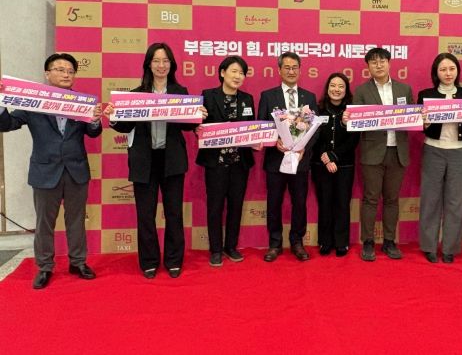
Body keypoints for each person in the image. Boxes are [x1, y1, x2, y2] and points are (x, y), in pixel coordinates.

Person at [0, 53, 102, 289]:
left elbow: (93, 133)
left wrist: (95, 120)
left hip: (76, 170)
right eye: (60, 70)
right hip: (45, 171)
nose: (66, 74)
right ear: (47, 74)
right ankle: (45, 267)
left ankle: (78, 262)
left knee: (76, 220)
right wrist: (2, 102)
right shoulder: (33, 101)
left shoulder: (82, 102)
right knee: (44, 223)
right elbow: (7, 124)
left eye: (70, 71)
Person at [105, 42, 205, 279]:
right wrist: (113, 116)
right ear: (149, 64)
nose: (161, 65)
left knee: (174, 213)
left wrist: (198, 116)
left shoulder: (180, 93)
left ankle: (173, 260)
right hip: (144, 161)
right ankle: (149, 261)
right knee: (145, 214)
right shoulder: (135, 95)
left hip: (172, 160)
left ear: (172, 65)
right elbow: (124, 126)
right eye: (156, 61)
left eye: (165, 61)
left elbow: (187, 125)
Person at [350, 47, 413, 261]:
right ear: (368, 66)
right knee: (370, 199)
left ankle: (389, 241)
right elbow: (357, 123)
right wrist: (350, 119)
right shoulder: (361, 91)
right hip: (372, 152)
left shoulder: (404, 89)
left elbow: (411, 119)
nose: (378, 65)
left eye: (382, 61)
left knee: (392, 199)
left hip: (398, 151)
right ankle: (368, 241)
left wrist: (420, 117)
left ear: (389, 63)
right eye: (374, 62)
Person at [258, 52, 318, 262]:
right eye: (287, 67)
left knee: (299, 202)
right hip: (276, 160)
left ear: (300, 70)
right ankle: (275, 243)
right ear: (279, 70)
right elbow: (262, 125)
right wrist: (275, 141)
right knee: (274, 202)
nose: (291, 71)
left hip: (300, 161)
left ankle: (297, 241)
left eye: (295, 67)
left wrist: (303, 148)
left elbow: (315, 129)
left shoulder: (309, 97)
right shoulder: (268, 96)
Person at [196, 56, 255, 266]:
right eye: (234, 71)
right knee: (215, 206)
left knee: (236, 206)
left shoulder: (247, 99)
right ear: (222, 73)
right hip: (216, 162)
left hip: (240, 162)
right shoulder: (207, 96)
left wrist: (257, 140)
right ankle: (215, 249)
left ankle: (231, 246)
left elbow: (252, 127)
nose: (238, 76)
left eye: (242, 73)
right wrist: (197, 125)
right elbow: (199, 125)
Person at [417, 53, 462, 263]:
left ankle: (450, 248)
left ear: (457, 71)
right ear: (436, 73)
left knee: (455, 201)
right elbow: (420, 126)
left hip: (459, 151)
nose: (448, 73)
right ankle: (429, 246)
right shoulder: (426, 95)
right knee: (430, 200)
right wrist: (424, 122)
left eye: (452, 69)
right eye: (443, 69)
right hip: (433, 149)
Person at [311, 73, 359, 257]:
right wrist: (325, 157)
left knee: (342, 203)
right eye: (333, 85)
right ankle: (325, 241)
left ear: (346, 90)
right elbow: (313, 137)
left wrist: (334, 156)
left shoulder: (351, 112)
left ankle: (341, 242)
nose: (336, 89)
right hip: (321, 165)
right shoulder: (318, 110)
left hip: (344, 166)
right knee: (324, 202)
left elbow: (354, 140)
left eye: (341, 86)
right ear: (327, 88)